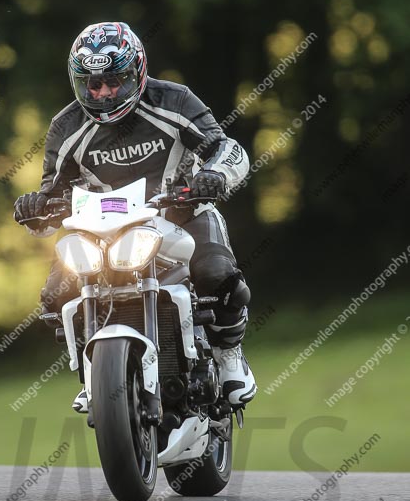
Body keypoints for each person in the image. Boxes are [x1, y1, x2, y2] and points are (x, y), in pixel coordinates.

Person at [14, 21, 256, 413]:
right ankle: (96, 374)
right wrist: (34, 210)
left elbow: (227, 148)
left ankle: (229, 356)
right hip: (103, 231)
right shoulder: (65, 126)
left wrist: (214, 175)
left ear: (137, 72)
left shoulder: (174, 101)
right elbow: (52, 197)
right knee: (55, 297)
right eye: (93, 85)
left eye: (114, 81)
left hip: (182, 213)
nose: (105, 93)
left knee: (218, 275)